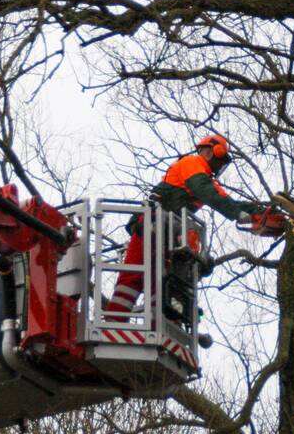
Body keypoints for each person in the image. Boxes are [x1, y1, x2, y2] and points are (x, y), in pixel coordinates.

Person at [107, 134, 263, 318]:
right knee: (133, 276)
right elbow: (206, 192)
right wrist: (237, 214)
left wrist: (260, 211)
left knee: (164, 283)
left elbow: (227, 201)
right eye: (220, 160)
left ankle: (162, 324)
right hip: (151, 224)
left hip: (169, 234)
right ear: (209, 152)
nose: (219, 165)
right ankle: (113, 319)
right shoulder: (192, 164)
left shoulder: (206, 180)